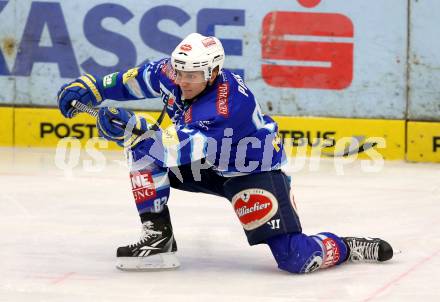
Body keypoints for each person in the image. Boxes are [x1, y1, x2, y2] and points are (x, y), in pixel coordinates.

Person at [57, 33, 393, 273]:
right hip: (208, 161)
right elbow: (136, 80)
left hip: (250, 169)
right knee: (142, 151)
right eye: (180, 72)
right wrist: (94, 88)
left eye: (192, 76)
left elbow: (174, 149)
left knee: (296, 258)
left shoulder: (227, 107)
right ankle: (158, 239)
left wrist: (133, 126)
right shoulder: (175, 71)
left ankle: (349, 246)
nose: (183, 81)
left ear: (213, 72)